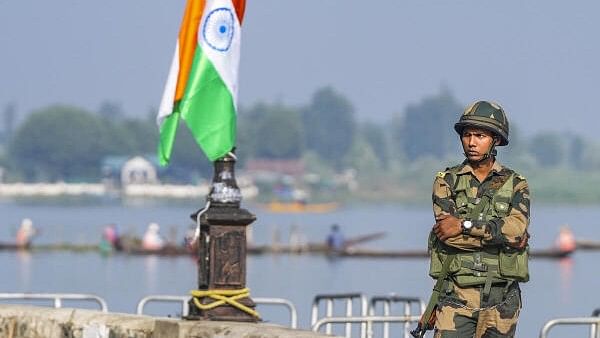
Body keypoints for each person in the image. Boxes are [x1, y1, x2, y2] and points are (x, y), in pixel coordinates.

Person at [416, 101, 530, 338]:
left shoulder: (516, 183)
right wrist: (501, 236)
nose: (471, 142)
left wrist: (464, 225)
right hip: (456, 298)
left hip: (501, 300)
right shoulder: (446, 181)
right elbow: (450, 237)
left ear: (496, 140)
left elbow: (517, 230)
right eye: (467, 135)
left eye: (479, 135)